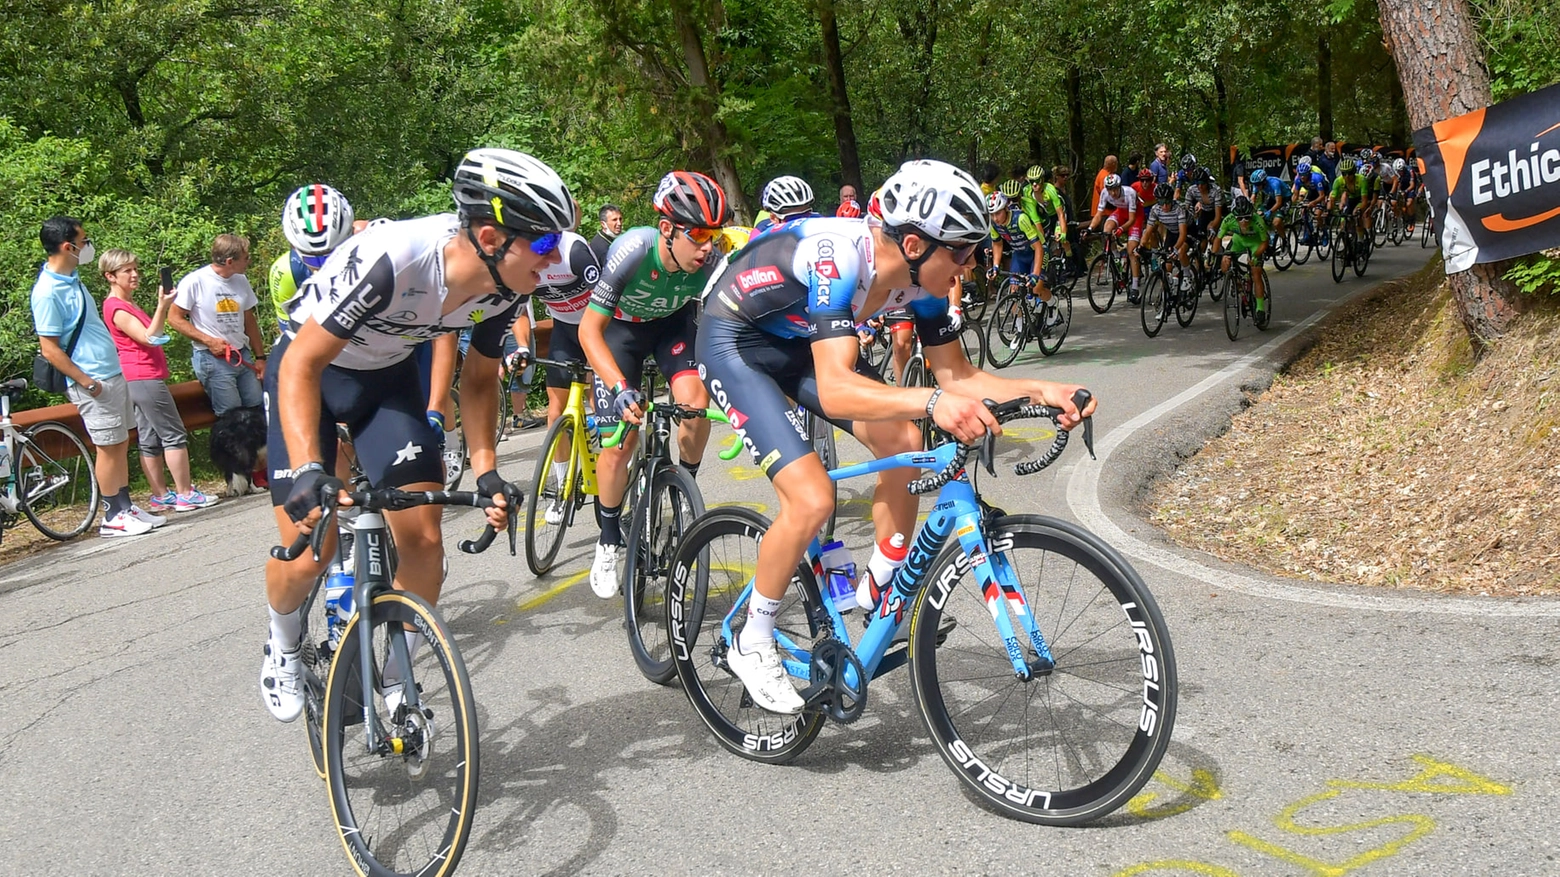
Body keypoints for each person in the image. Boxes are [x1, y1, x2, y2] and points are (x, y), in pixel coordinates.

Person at [696, 159, 1093, 713]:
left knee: (906, 441)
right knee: (812, 496)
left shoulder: (923, 284)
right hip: (734, 340)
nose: (971, 263)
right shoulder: (836, 257)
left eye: (974, 249)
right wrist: (934, 400)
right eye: (961, 250)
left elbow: (961, 377)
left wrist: (1044, 390)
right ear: (913, 244)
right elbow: (837, 389)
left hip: (795, 343)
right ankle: (751, 637)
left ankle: (880, 580)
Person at [258, 147, 569, 723]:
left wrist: (487, 470)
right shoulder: (396, 259)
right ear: (491, 235)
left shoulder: (506, 287)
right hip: (311, 376)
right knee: (314, 550)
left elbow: (478, 381)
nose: (552, 260)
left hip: (385, 383)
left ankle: (401, 680)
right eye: (545, 243)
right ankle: (282, 641)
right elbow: (301, 365)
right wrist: (307, 468)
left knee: (424, 542)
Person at [579, 170, 727, 598]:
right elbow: (590, 332)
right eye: (697, 234)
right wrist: (619, 386)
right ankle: (608, 539)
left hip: (670, 330)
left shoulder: (711, 264)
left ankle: (682, 489)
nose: (706, 247)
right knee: (619, 443)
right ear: (667, 228)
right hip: (621, 334)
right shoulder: (631, 250)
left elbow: (729, 324)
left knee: (695, 405)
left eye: (713, 236)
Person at [31, 217, 166, 537]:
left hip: (110, 372)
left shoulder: (72, 278)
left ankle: (125, 505)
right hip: (92, 381)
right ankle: (112, 514)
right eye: (84, 241)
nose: (88, 247)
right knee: (107, 446)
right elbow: (50, 349)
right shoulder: (47, 292)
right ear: (68, 247)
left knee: (120, 443)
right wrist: (87, 382)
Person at [100, 249, 218, 513]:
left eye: (134, 269)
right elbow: (148, 337)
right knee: (173, 434)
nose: (134, 274)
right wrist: (163, 306)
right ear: (110, 276)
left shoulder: (126, 304)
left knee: (149, 437)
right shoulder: (116, 307)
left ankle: (161, 494)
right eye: (126, 271)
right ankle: (185, 493)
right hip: (143, 376)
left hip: (139, 377)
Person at [169, 234, 268, 418]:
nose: (249, 261)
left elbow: (249, 319)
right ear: (230, 261)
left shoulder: (241, 280)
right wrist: (209, 341)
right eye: (246, 258)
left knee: (257, 410)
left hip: (241, 353)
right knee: (232, 416)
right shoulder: (195, 281)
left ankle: (258, 446)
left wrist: (260, 357)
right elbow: (174, 318)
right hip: (213, 358)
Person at [269, 184, 355, 332]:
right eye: (314, 260)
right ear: (293, 246)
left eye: (334, 256)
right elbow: (290, 334)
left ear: (351, 234)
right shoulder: (286, 271)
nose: (324, 268)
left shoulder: (376, 245)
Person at [1088, 172, 1143, 298]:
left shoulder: (1129, 193)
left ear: (1119, 186)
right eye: (1109, 189)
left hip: (1134, 217)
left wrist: (1121, 229)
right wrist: (1090, 229)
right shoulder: (1104, 193)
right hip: (1120, 212)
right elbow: (1098, 215)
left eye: (1114, 189)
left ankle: (1134, 287)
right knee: (1107, 229)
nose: (1112, 193)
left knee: (1131, 250)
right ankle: (1117, 257)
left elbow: (1132, 220)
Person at [1212, 195, 1269, 315]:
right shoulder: (1228, 220)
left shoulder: (1258, 221)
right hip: (1238, 242)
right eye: (1240, 218)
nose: (1244, 221)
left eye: (1247, 218)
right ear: (1234, 216)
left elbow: (1265, 242)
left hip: (1256, 243)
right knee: (1225, 265)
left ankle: (1260, 309)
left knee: (1256, 272)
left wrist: (1255, 256)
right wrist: (1212, 256)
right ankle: (1239, 286)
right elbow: (1218, 239)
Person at [753, 176, 818, 234]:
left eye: (806, 215)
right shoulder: (762, 231)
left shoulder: (821, 222)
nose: (800, 223)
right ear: (773, 218)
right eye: (792, 218)